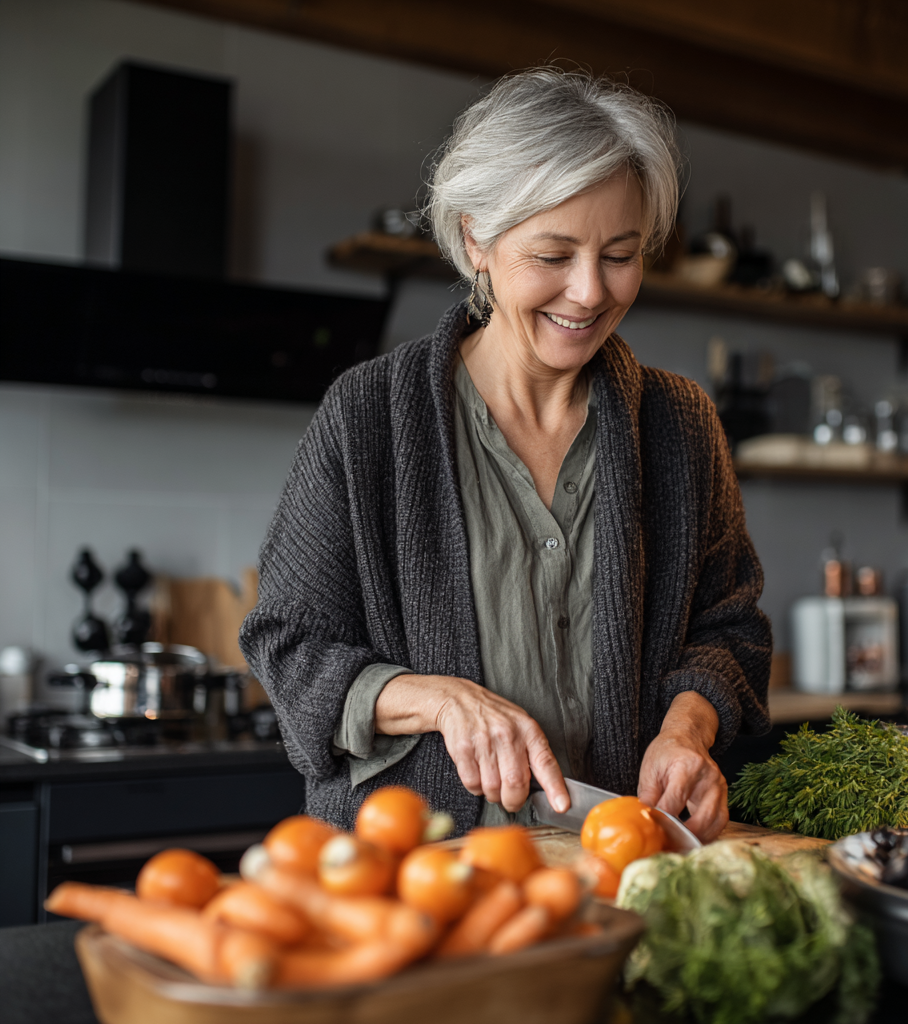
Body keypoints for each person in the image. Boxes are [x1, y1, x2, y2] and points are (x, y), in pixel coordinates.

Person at [240, 67, 771, 843]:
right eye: (553, 256)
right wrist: (438, 699)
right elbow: (289, 645)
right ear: (474, 239)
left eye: (620, 254)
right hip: (415, 873)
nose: (589, 292)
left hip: (622, 867)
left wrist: (687, 729)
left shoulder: (682, 426)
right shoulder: (368, 418)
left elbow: (731, 627)